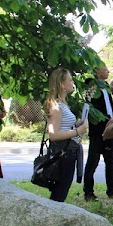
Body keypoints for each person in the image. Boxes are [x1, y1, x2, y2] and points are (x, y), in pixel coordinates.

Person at [43, 69, 88, 202]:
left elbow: (62, 126)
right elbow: (53, 134)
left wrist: (77, 124)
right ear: (62, 84)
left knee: (61, 191)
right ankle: (51, 220)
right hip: (63, 153)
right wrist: (77, 132)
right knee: (59, 193)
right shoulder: (56, 106)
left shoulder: (62, 104)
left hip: (68, 151)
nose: (72, 82)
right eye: (70, 80)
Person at [83, 65, 113, 201]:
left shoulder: (107, 87)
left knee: (110, 162)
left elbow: (110, 105)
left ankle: (111, 190)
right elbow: (89, 104)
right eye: (105, 69)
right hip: (98, 130)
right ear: (97, 71)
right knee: (93, 162)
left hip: (110, 128)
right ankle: (88, 192)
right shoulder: (91, 85)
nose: (108, 71)